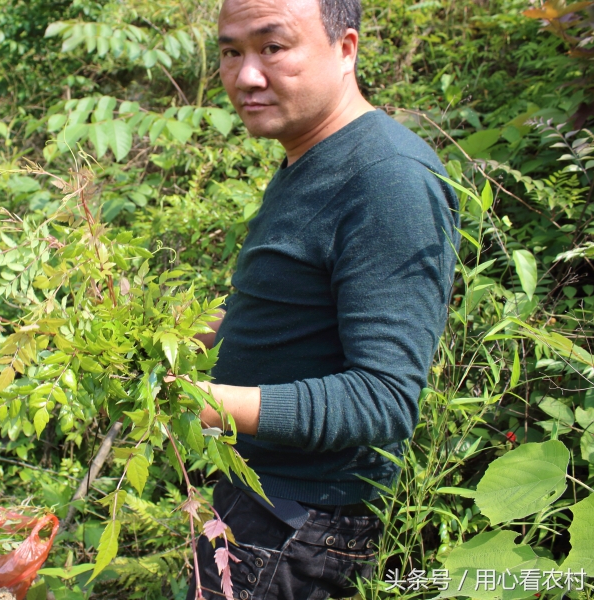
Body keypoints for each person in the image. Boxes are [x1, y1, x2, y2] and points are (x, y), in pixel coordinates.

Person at [186, 0, 460, 598]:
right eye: (232, 51)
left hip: (299, 522)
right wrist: (178, 337)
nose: (246, 75)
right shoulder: (307, 157)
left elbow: (383, 398)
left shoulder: (387, 179)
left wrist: (193, 405)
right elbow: (279, 302)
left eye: (273, 47)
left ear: (346, 48)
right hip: (260, 496)